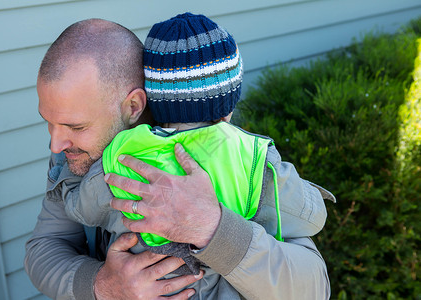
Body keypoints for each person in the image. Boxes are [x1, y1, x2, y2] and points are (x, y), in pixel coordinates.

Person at [25, 16, 334, 300]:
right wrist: (102, 286)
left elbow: (314, 287)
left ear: (133, 106)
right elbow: (43, 248)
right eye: (48, 122)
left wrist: (214, 228)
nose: (55, 144)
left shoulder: (237, 163)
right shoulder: (75, 156)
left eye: (75, 126)